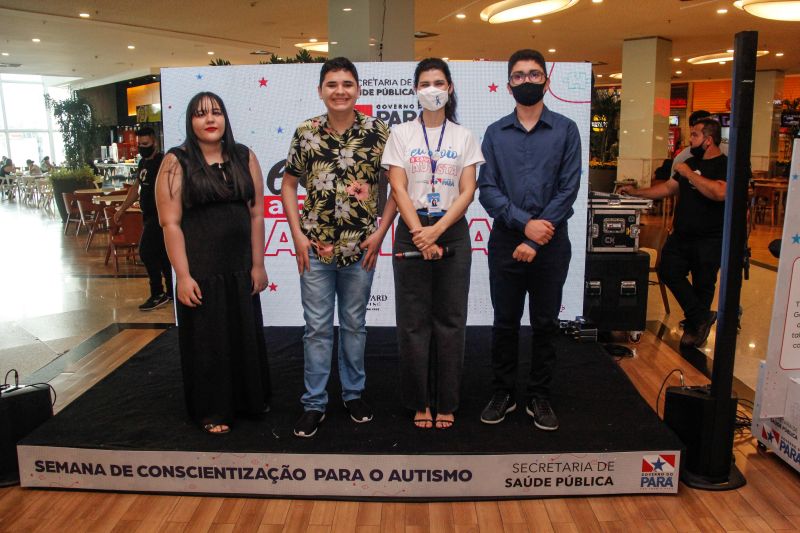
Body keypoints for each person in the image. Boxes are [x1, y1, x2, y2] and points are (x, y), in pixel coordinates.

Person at [281, 57, 397, 438]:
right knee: (316, 329)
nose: (340, 90)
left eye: (347, 83)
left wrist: (380, 233)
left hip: (360, 250)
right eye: (332, 84)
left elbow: (398, 186)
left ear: (358, 90)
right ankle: (314, 404)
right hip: (315, 250)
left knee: (354, 326)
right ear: (320, 91)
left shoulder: (378, 132)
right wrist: (297, 235)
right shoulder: (306, 132)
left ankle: (353, 394)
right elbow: (288, 184)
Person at [477, 49, 581, 432]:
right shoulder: (494, 133)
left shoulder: (567, 129)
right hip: (506, 240)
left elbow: (568, 189)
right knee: (504, 322)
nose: (526, 81)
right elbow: (487, 189)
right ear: (509, 85)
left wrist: (537, 237)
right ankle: (503, 392)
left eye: (534, 74)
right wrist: (524, 227)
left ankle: (539, 395)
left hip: (552, 242)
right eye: (518, 76)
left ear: (546, 82)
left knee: (545, 322)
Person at [155, 91, 271, 434]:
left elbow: (257, 214)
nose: (210, 119)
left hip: (240, 268)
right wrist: (183, 276)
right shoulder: (176, 161)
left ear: (225, 118)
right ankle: (212, 411)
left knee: (244, 337)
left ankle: (250, 402)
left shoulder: (244, 156)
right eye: (201, 113)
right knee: (209, 345)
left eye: (216, 112)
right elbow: (170, 223)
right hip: (202, 271)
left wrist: (258, 265)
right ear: (191, 121)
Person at [381, 58, 483, 430]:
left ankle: (447, 401)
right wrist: (420, 233)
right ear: (415, 90)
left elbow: (468, 190)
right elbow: (398, 187)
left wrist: (437, 231)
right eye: (425, 83)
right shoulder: (401, 134)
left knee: (451, 320)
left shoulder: (464, 136)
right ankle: (419, 401)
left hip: (451, 229)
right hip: (412, 229)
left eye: (439, 82)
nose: (432, 89)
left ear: (450, 88)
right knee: (412, 322)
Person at [619, 118, 727, 348]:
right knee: (668, 270)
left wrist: (689, 174)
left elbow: (719, 193)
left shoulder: (724, 165)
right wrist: (636, 193)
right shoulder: (688, 161)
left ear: (708, 140)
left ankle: (694, 330)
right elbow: (668, 188)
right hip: (681, 235)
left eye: (695, 135)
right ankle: (700, 317)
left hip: (710, 238)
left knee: (703, 284)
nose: (690, 140)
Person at [115, 127, 173, 311]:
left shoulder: (162, 162)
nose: (142, 147)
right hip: (147, 215)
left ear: (154, 142)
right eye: (139, 144)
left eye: (145, 144)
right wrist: (122, 209)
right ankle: (170, 291)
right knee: (162, 255)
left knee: (146, 252)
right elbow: (136, 188)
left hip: (160, 217)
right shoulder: (143, 163)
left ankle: (158, 292)